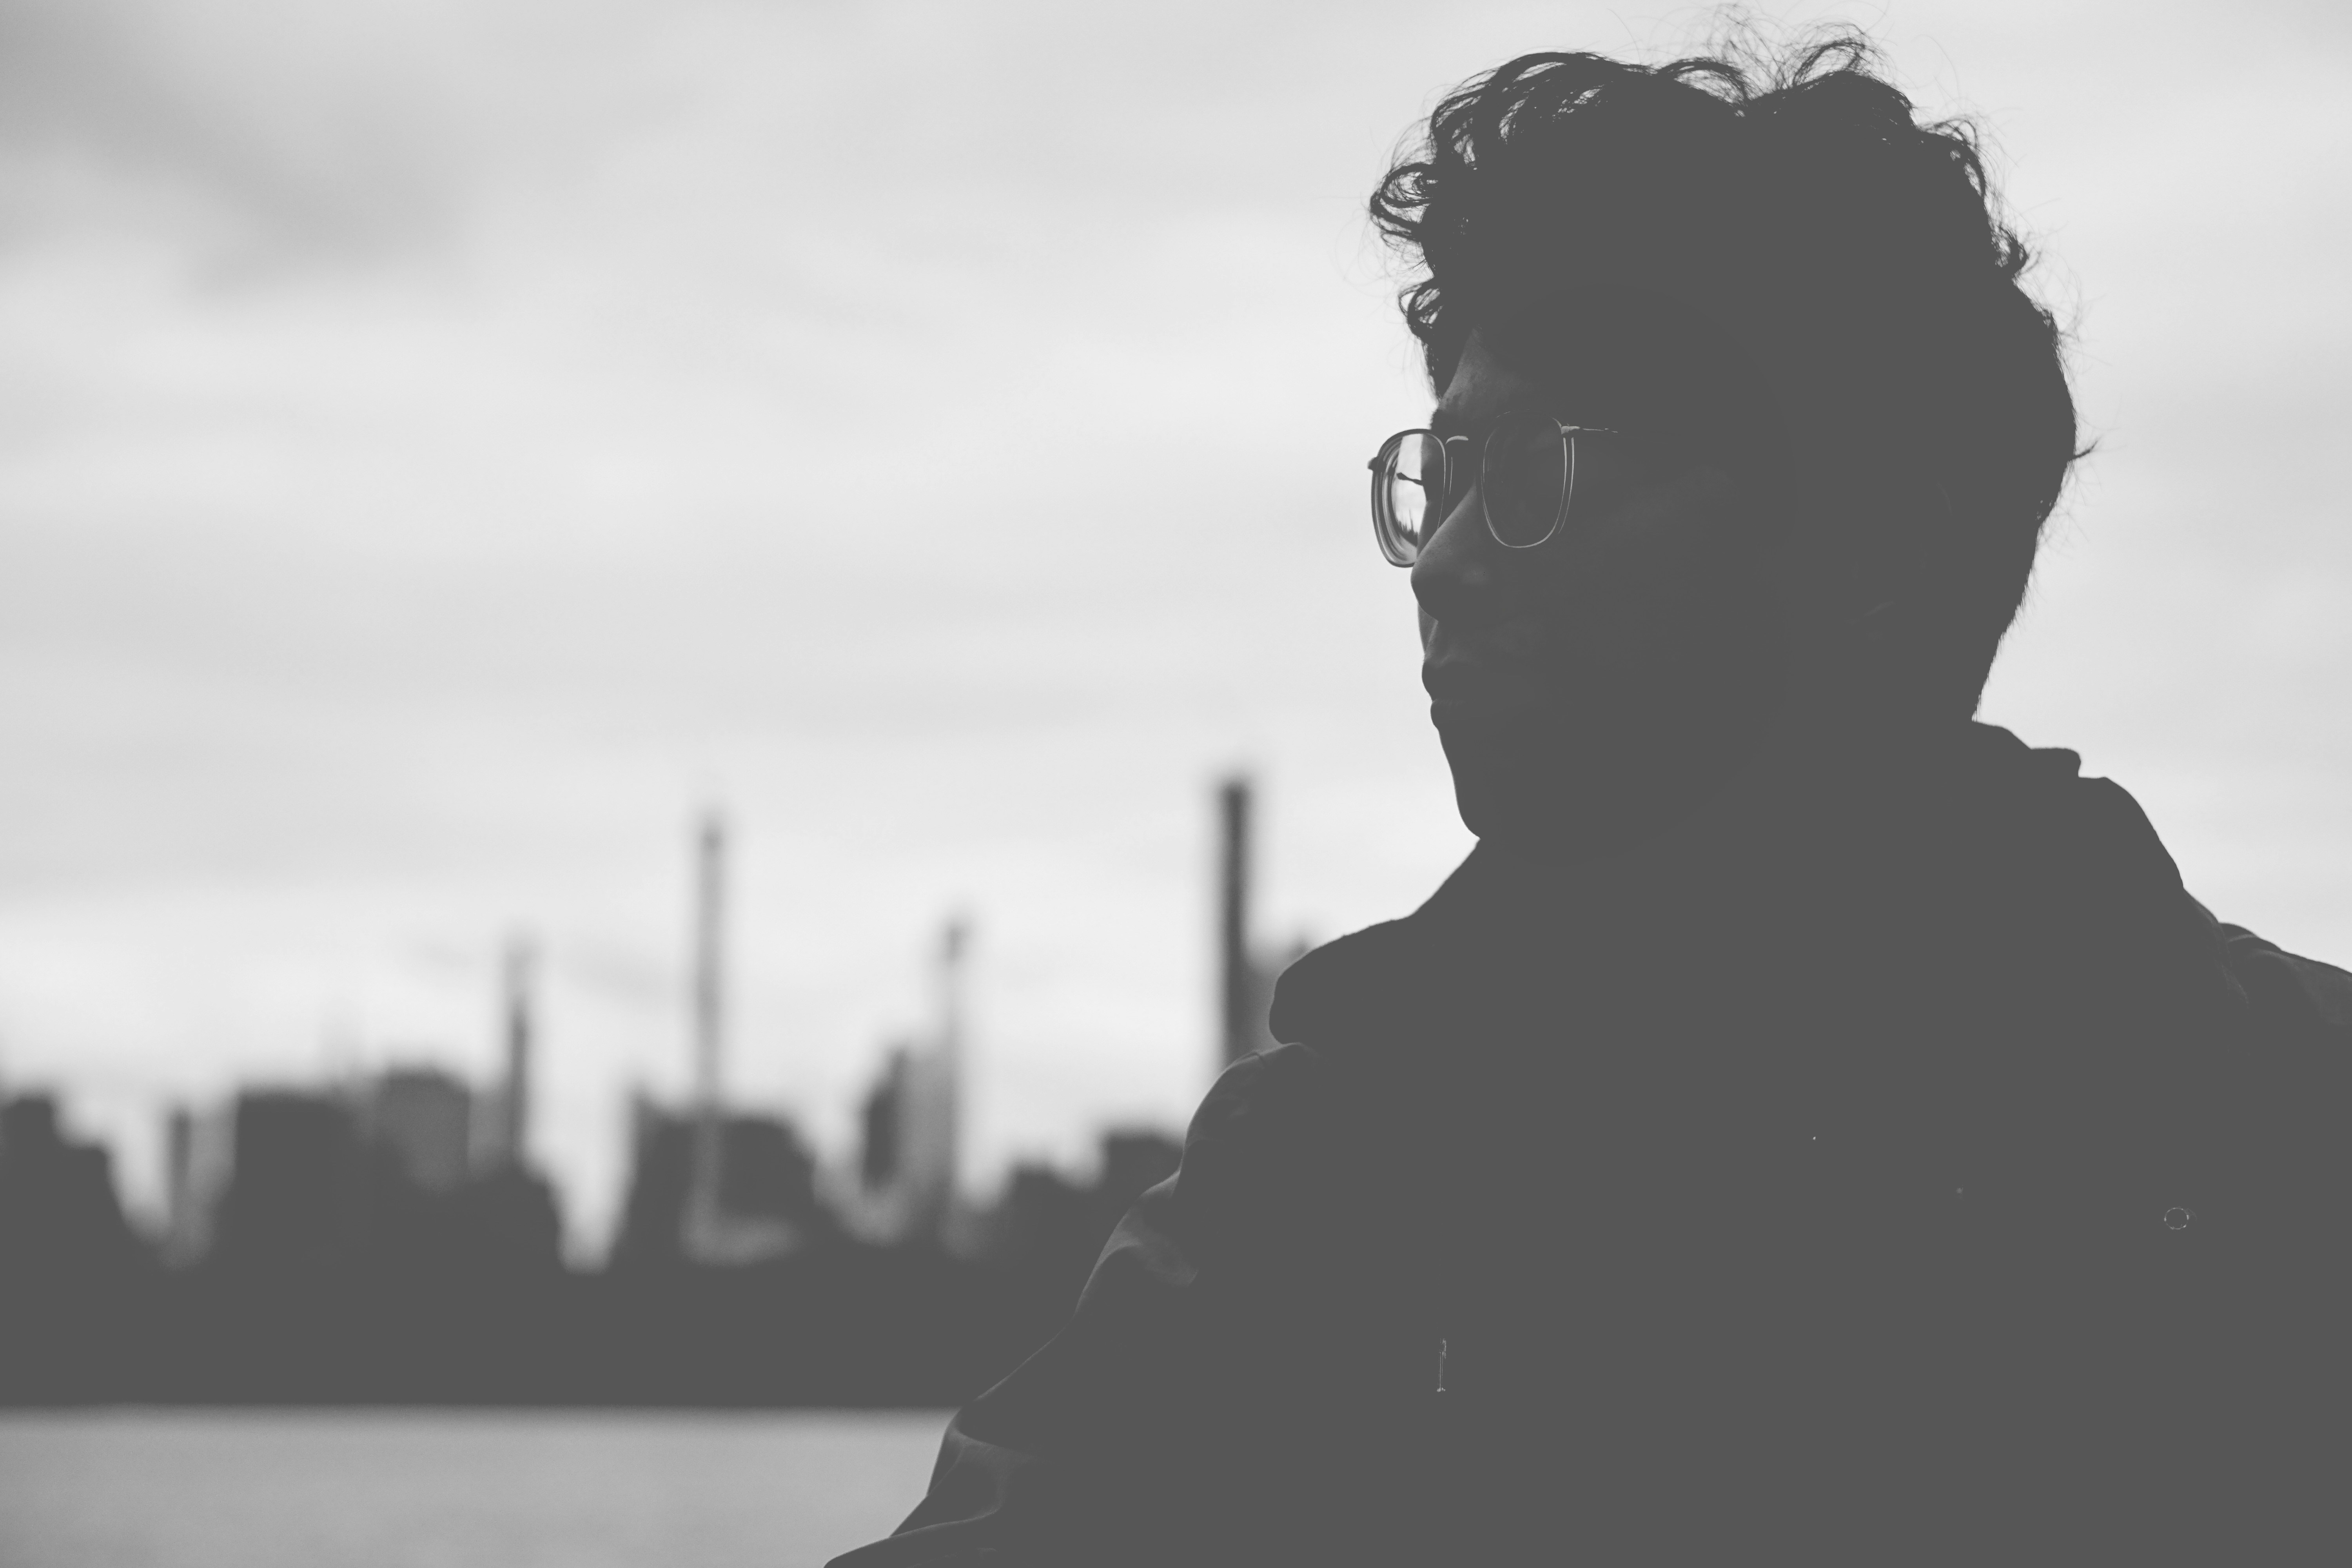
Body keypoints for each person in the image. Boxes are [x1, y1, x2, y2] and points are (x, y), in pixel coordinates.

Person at [832, 32, 2350, 1565]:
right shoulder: (1333, 1174)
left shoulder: (2287, 1131)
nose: (1438, 566)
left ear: (1880, 540)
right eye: (1438, 478)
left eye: (1529, 475)